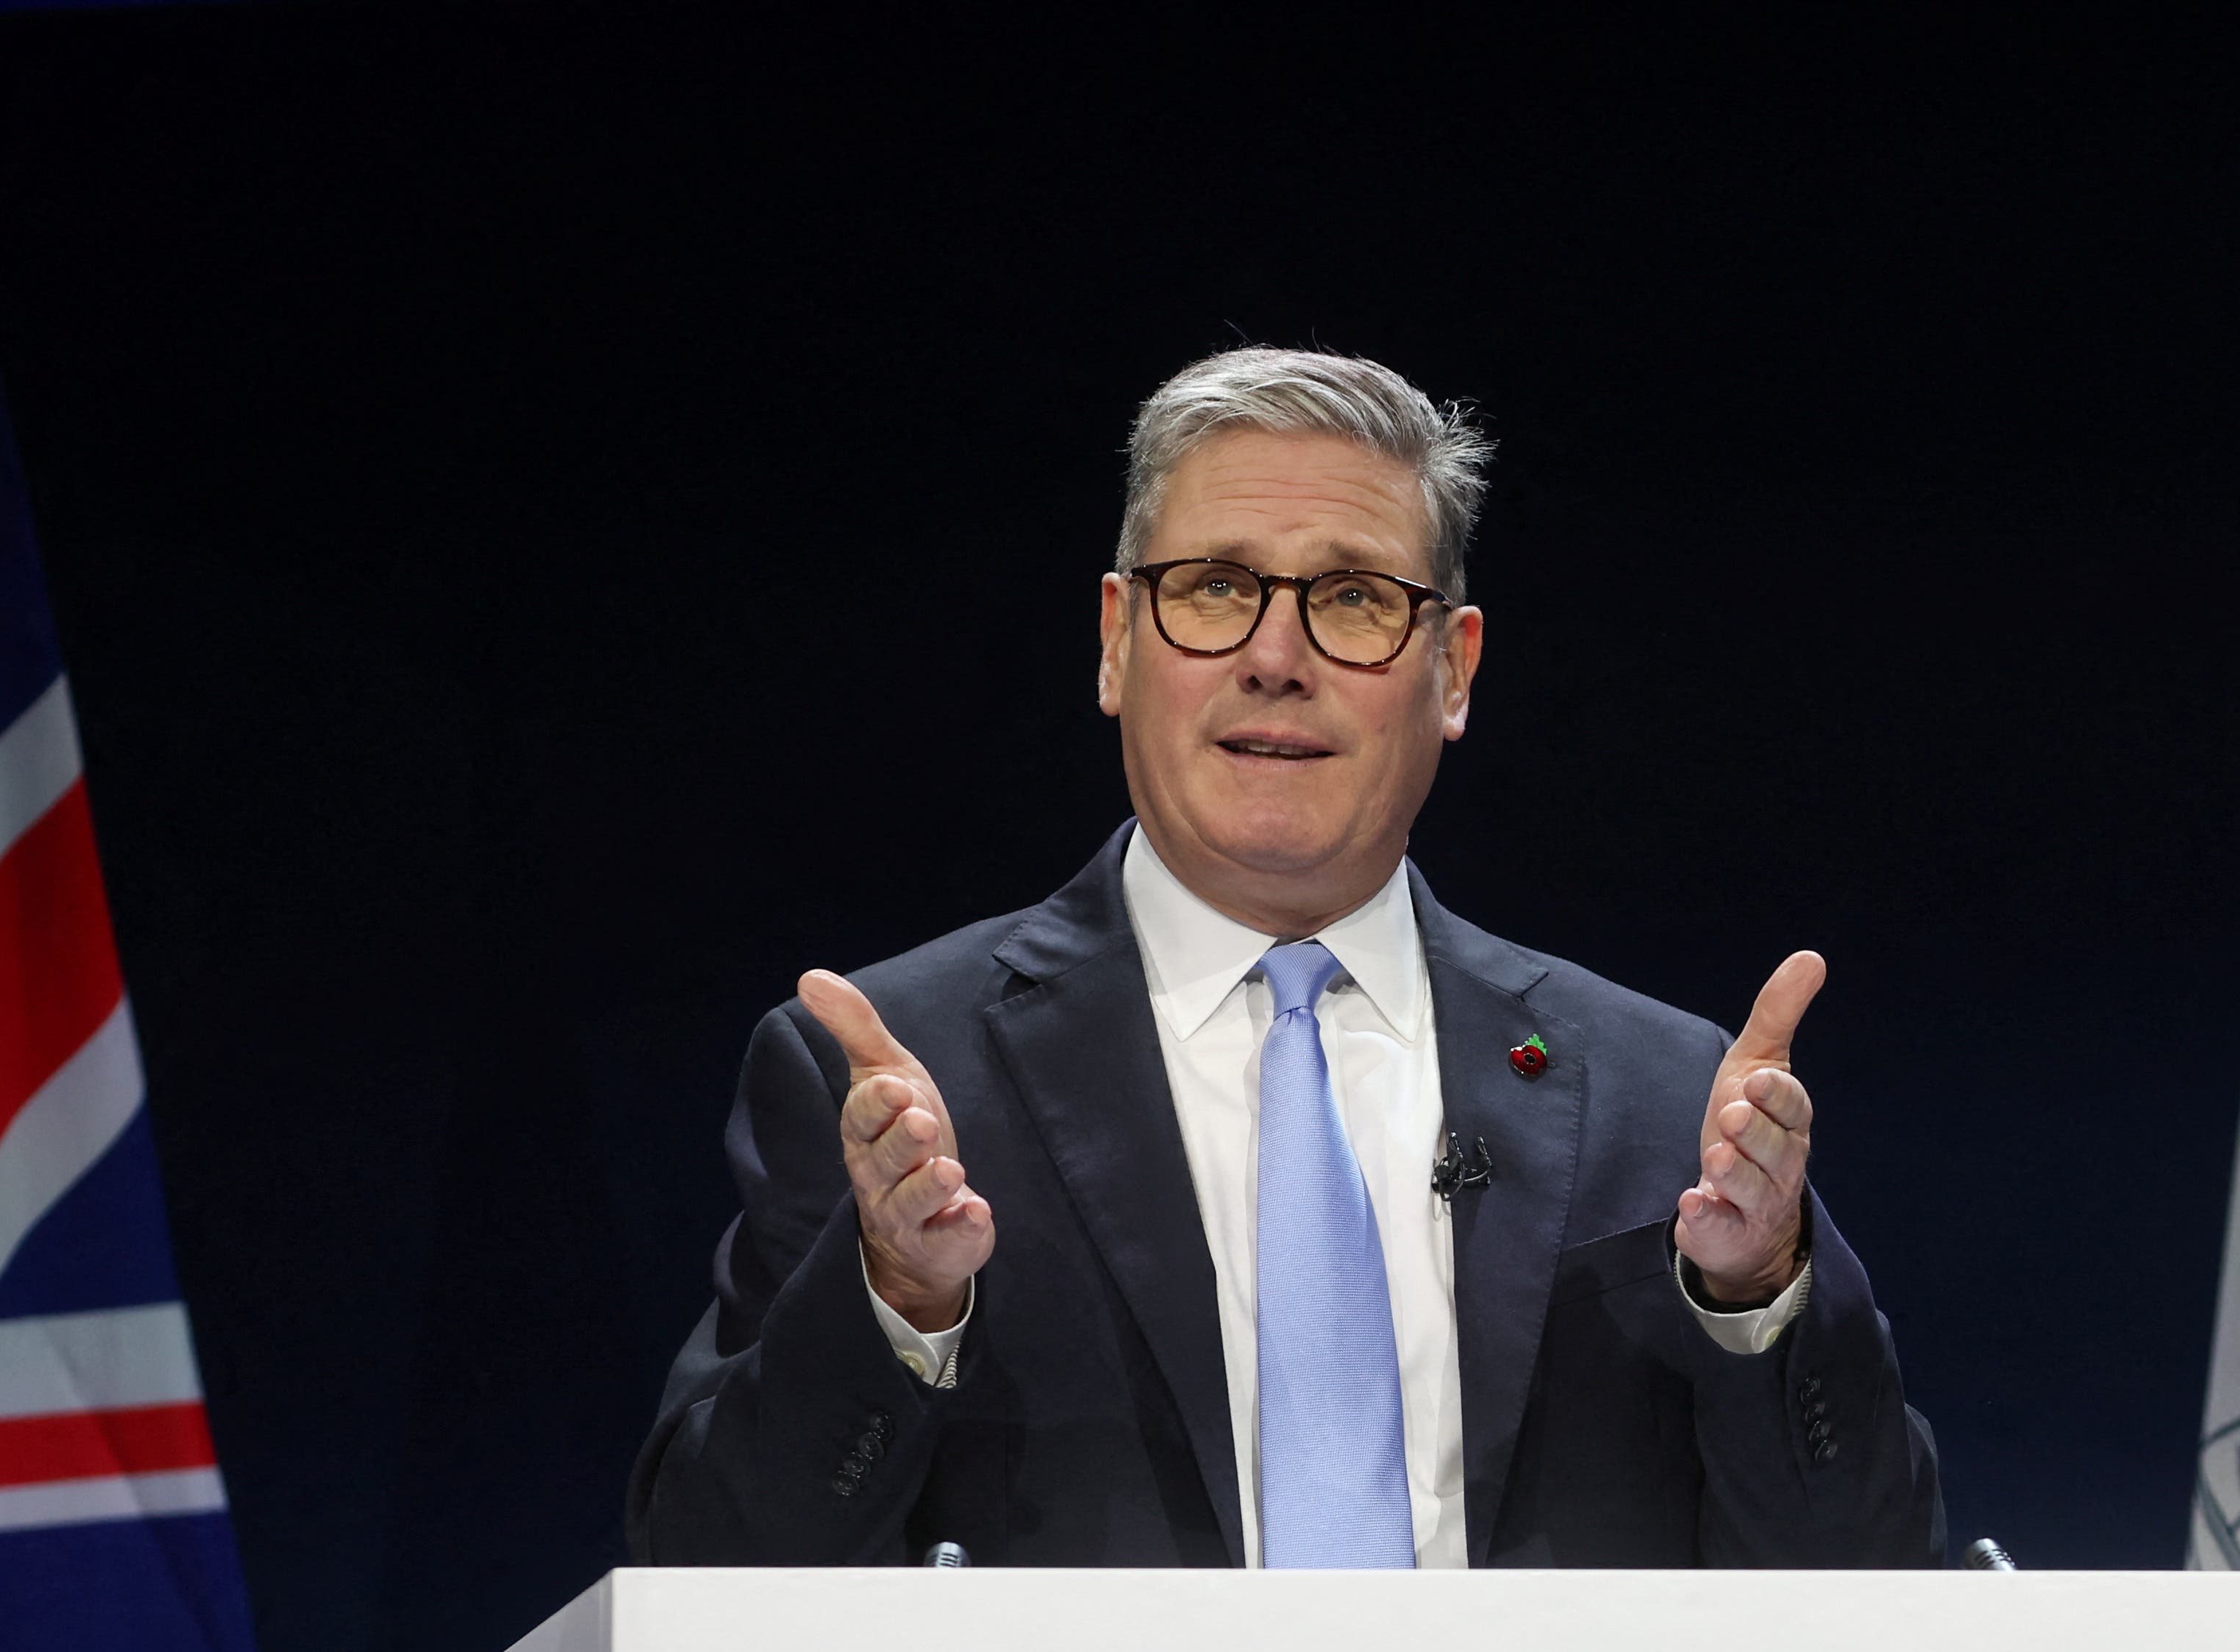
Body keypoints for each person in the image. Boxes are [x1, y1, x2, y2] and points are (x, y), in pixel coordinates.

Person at [628, 348, 1941, 1569]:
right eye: (1214, 590)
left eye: (1355, 600)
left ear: (1454, 668)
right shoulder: (900, 1078)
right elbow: (704, 1576)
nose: (1275, 658)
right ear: (1116, 640)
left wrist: (1757, 1299)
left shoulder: (1660, 1094)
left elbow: (1878, 1576)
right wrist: (899, 1301)